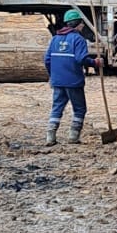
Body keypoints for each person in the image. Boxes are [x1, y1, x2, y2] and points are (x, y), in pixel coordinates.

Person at [44, 8, 92, 145]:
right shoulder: (79, 39)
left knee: (57, 107)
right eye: (82, 23)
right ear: (78, 24)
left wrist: (53, 75)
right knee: (80, 109)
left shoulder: (55, 39)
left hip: (58, 81)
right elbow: (81, 59)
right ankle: (73, 136)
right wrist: (95, 62)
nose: (83, 26)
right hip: (73, 81)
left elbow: (47, 60)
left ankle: (50, 136)